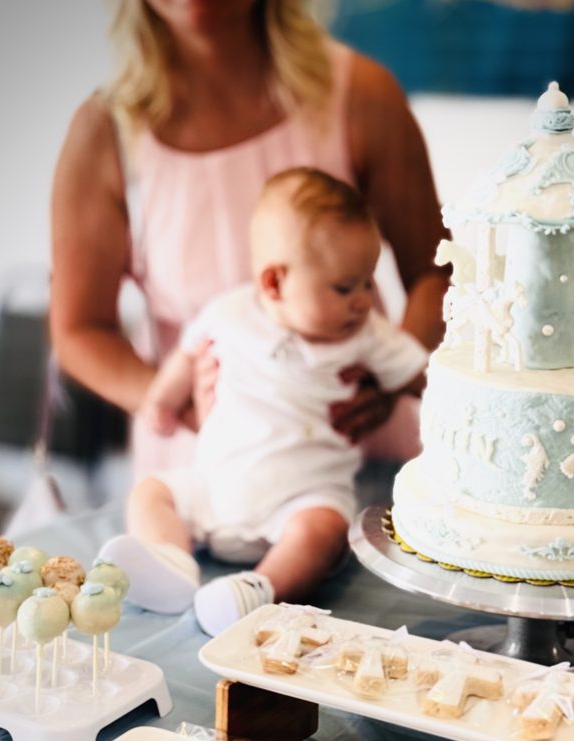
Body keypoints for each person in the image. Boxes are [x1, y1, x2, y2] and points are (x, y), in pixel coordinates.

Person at [49, 0, 449, 480]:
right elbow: (80, 329)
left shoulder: (362, 94)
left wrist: (395, 376)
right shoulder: (103, 135)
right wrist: (175, 402)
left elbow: (436, 271)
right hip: (202, 470)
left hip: (358, 452)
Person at [98, 168, 428, 636]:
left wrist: (409, 389)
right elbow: (189, 355)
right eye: (344, 287)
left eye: (368, 283)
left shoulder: (369, 337)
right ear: (274, 282)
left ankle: (258, 590)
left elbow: (427, 378)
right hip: (213, 486)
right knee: (151, 493)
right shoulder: (229, 312)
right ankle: (171, 564)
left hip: (300, 498)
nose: (362, 301)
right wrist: (161, 399)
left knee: (325, 530)